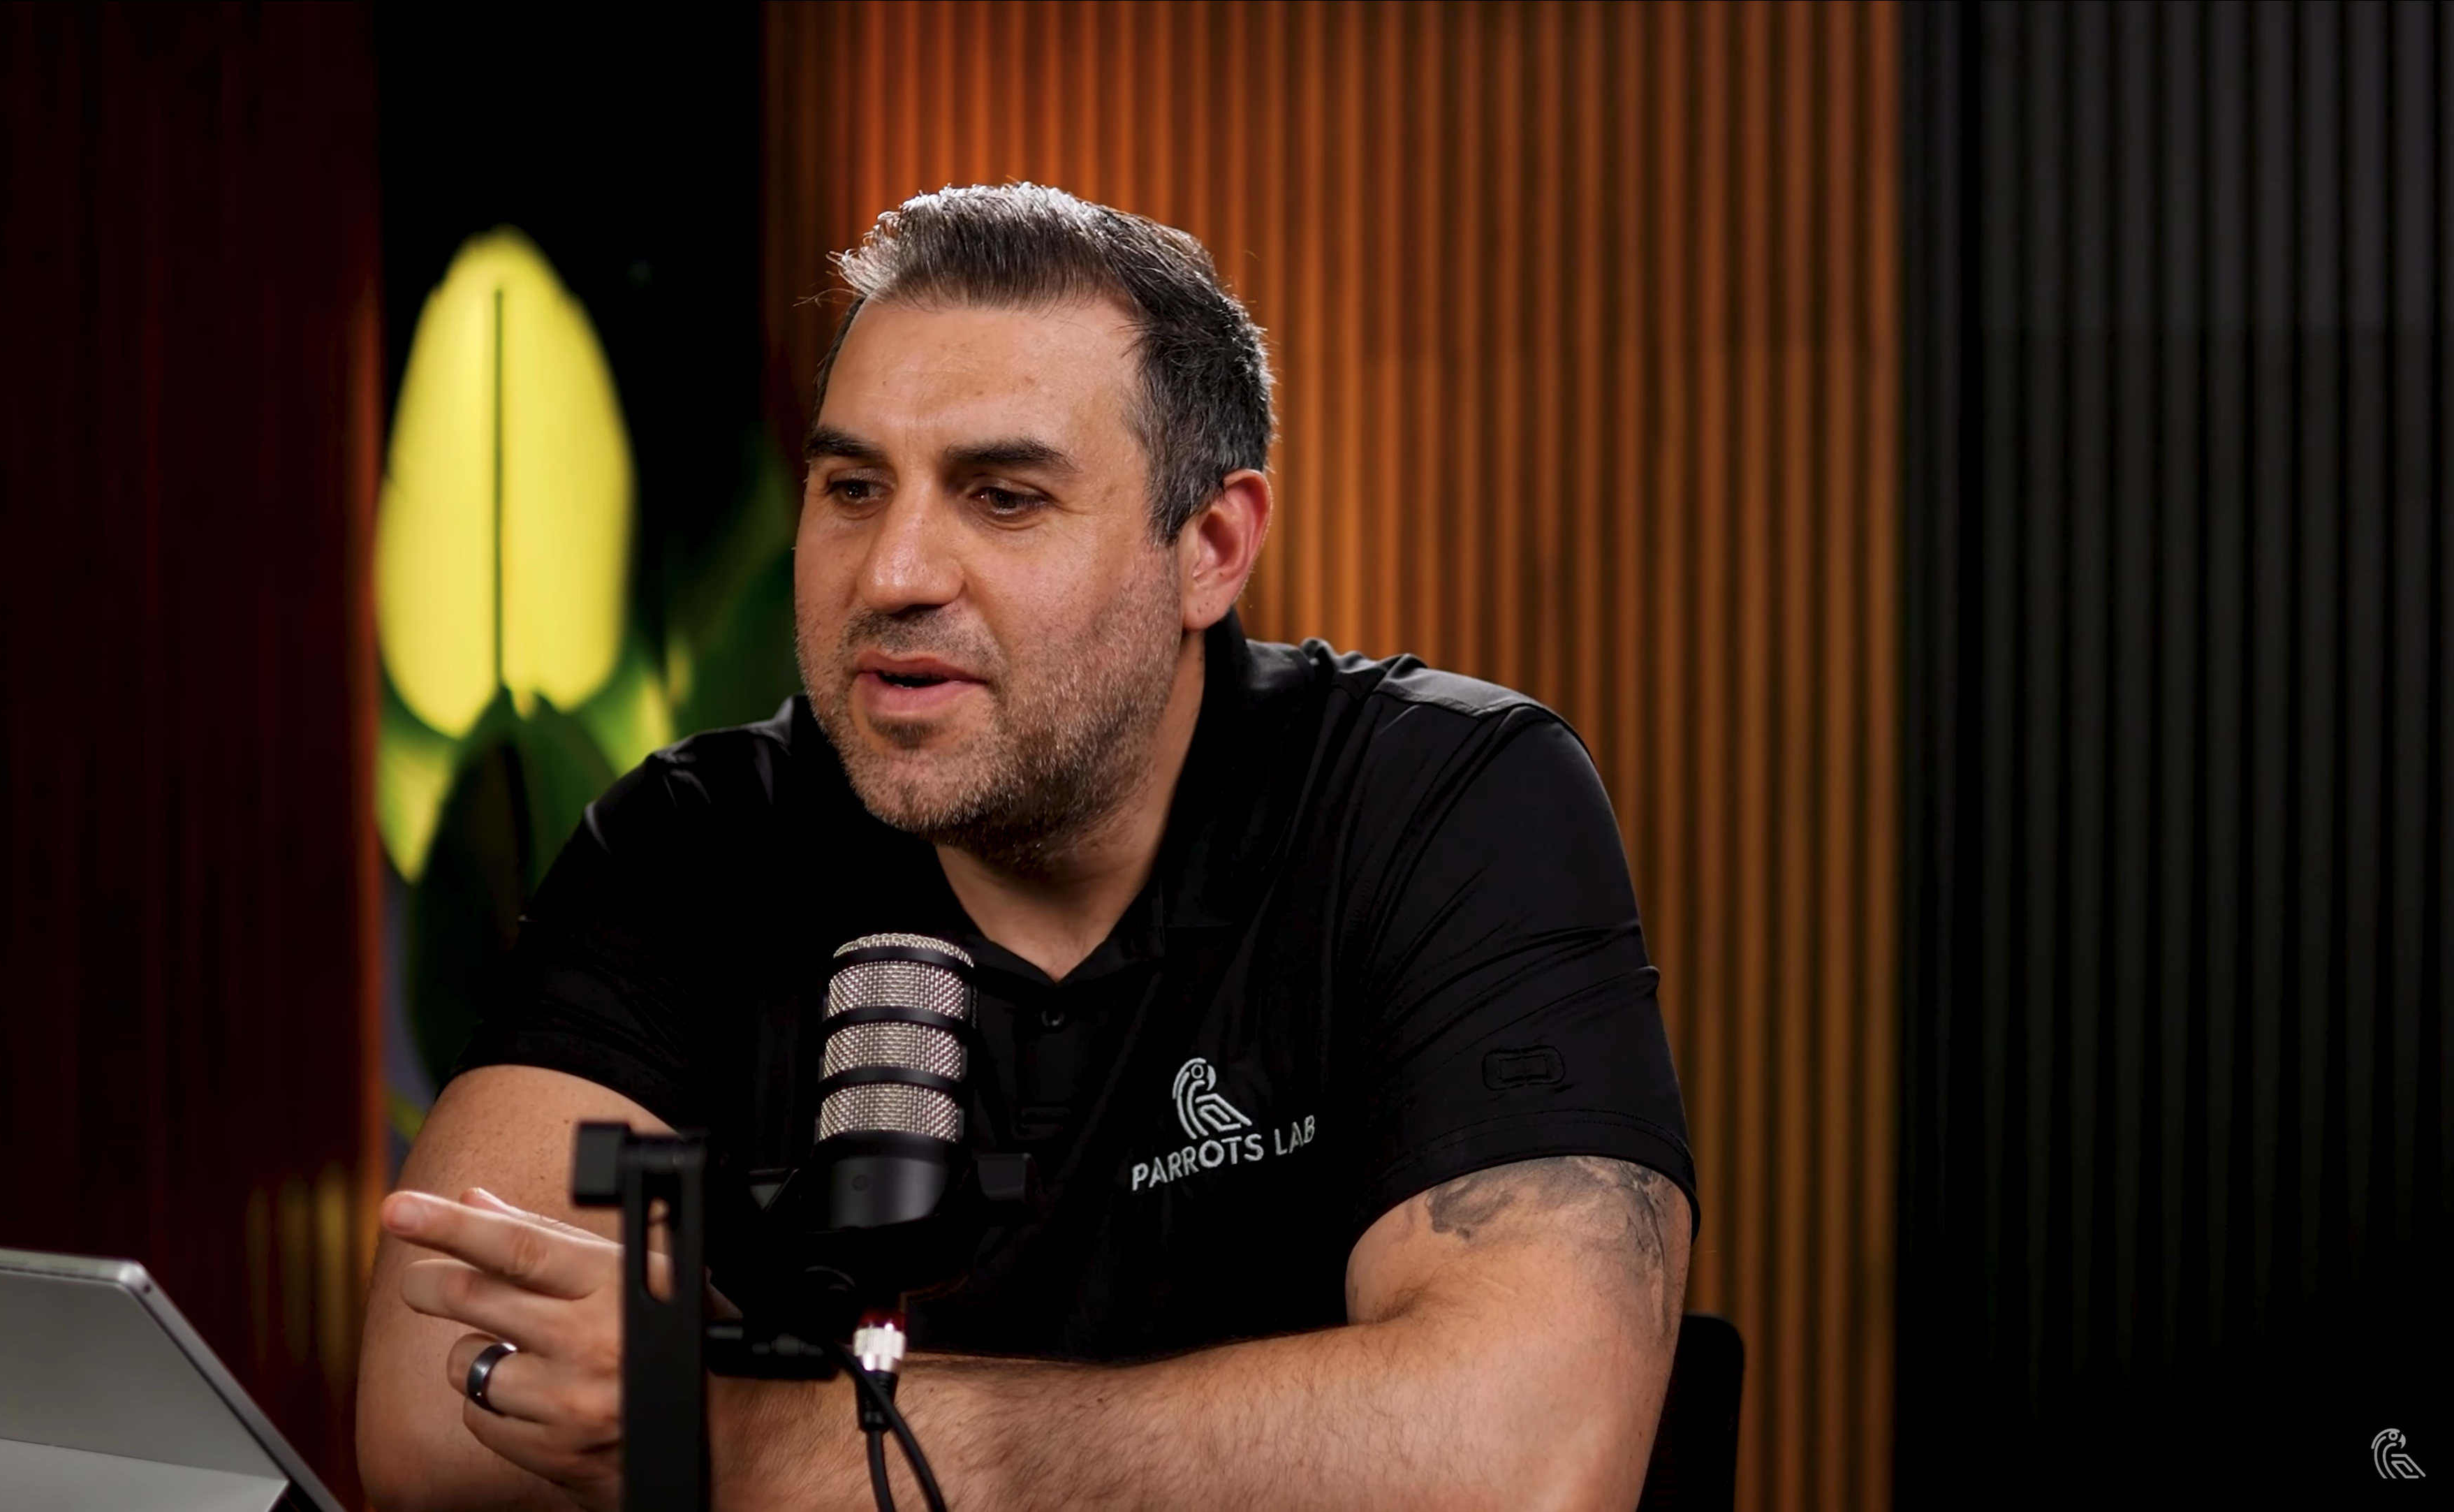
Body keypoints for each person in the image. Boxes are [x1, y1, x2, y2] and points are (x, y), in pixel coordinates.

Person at [356, 183, 1696, 1512]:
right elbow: (434, 1415)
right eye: (851, 485)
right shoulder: (691, 843)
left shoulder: (1443, 799)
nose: (893, 572)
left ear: (1212, 546)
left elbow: (1526, 1463)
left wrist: (736, 1443)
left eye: (1002, 496)